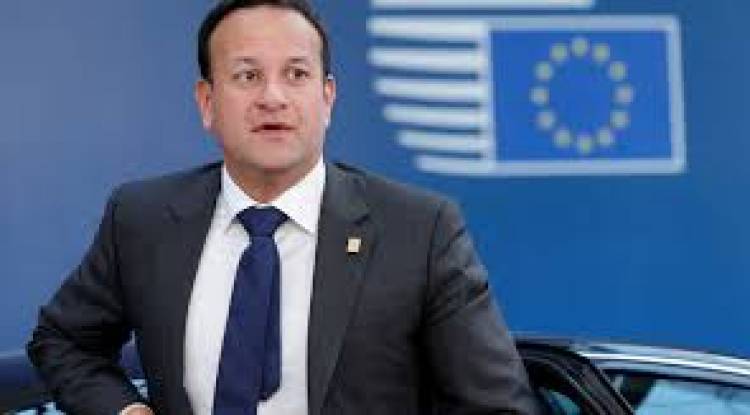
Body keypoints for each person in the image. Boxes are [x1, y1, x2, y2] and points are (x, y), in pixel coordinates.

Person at [27, 0, 541, 414]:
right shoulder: (143, 219)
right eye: (247, 76)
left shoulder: (419, 231)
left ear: (328, 98)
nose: (272, 97)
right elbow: (62, 340)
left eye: (296, 74)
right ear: (207, 103)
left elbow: (497, 406)